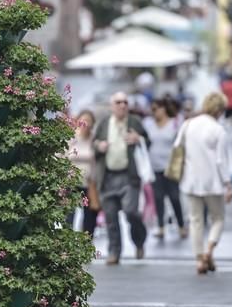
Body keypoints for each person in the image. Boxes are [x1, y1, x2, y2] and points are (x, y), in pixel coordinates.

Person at [176, 92, 232, 274]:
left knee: (195, 220)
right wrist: (228, 184)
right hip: (213, 182)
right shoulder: (218, 130)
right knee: (218, 218)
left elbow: (177, 147)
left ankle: (200, 259)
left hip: (191, 179)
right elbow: (221, 161)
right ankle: (209, 250)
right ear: (220, 110)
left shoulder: (188, 124)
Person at [93, 92, 149, 265]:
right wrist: (99, 146)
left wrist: (138, 139)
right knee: (110, 217)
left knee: (131, 212)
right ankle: (114, 252)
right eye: (118, 102)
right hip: (108, 176)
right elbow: (93, 143)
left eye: (125, 102)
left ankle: (139, 241)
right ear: (112, 105)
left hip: (128, 176)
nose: (122, 105)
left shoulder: (134, 122)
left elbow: (148, 140)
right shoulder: (104, 123)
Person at [143, 99, 187, 240]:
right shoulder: (148, 124)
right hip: (154, 166)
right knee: (158, 198)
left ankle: (181, 225)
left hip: (170, 167)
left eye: (157, 108)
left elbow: (181, 144)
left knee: (174, 197)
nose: (154, 112)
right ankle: (161, 226)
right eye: (152, 109)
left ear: (163, 109)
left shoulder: (174, 123)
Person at [66, 110, 99, 236]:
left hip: (89, 183)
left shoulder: (94, 139)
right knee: (69, 215)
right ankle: (66, 245)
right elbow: (61, 156)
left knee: (90, 215)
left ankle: (86, 242)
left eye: (89, 121)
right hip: (70, 182)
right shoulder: (70, 137)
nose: (86, 123)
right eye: (83, 120)